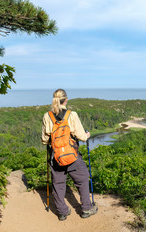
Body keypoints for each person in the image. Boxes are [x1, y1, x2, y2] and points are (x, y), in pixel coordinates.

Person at [41, 89, 98, 221]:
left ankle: (62, 212)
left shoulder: (47, 116)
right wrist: (87, 135)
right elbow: (82, 137)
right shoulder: (71, 115)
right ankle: (86, 209)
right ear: (66, 100)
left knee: (58, 184)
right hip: (72, 156)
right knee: (82, 180)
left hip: (56, 157)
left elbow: (44, 140)